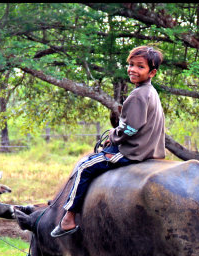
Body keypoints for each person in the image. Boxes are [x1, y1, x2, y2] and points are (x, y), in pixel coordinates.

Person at [51, 45, 166, 237]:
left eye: (140, 66)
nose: (133, 69)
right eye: (130, 65)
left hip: (132, 151)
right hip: (149, 149)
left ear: (152, 72)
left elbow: (130, 129)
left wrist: (113, 136)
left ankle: (68, 218)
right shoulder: (150, 92)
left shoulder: (138, 95)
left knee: (84, 167)